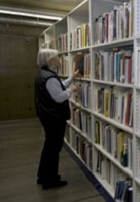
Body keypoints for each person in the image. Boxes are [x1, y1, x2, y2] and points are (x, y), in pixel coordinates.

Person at [34, 49, 80, 190]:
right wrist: (71, 90)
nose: (60, 59)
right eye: (57, 57)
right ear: (50, 60)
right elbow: (59, 96)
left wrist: (71, 78)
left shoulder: (43, 74)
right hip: (54, 118)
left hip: (47, 116)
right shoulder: (50, 77)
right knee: (53, 149)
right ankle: (50, 180)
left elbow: (57, 87)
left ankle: (43, 176)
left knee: (49, 147)